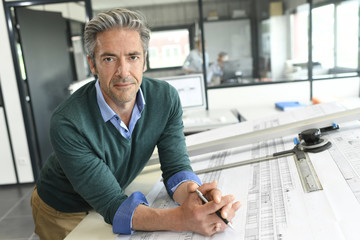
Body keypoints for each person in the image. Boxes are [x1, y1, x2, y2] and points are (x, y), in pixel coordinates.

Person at [30, 8, 241, 240]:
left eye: (133, 57)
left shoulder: (165, 98)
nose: (123, 72)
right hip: (62, 209)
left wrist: (195, 196)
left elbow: (176, 167)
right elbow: (112, 203)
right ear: (93, 64)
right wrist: (183, 219)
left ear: (145, 60)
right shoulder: (67, 122)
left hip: (111, 192)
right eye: (109, 59)